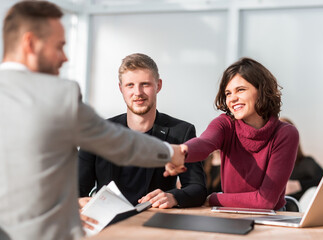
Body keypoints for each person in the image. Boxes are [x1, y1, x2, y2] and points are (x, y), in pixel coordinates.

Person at [0, 1, 185, 240]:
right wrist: (170, 153)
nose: (65, 57)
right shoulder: (59, 95)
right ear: (30, 43)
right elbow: (118, 143)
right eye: (59, 46)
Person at [78, 53, 207, 215]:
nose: (137, 92)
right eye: (130, 85)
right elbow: (77, 189)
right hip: (107, 223)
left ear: (158, 85)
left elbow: (198, 188)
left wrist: (173, 197)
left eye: (145, 84)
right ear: (121, 88)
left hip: (156, 222)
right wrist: (79, 200)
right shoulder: (95, 133)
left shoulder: (181, 131)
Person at [179, 57, 300, 210]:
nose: (232, 98)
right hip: (231, 212)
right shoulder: (225, 124)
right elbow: (205, 142)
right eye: (228, 93)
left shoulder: (285, 134)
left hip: (271, 219)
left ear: (261, 90)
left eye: (240, 90)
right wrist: (180, 151)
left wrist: (214, 198)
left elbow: (265, 202)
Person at [280, 117, 323, 201]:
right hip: (276, 209)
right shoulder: (266, 165)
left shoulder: (306, 163)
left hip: (301, 208)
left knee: (313, 192)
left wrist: (298, 185)